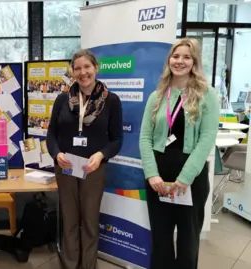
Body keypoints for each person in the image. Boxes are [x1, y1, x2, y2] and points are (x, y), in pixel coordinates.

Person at [139, 38, 219, 269]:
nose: (180, 61)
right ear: (169, 60)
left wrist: (185, 178)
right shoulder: (157, 96)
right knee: (161, 240)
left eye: (186, 56)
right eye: (176, 56)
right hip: (158, 179)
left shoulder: (207, 95)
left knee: (188, 241)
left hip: (190, 179)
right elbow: (145, 137)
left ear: (194, 62)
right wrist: (152, 175)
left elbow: (206, 140)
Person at [46, 49, 123, 269]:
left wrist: (101, 155)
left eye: (87, 67)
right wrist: (56, 153)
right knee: (69, 220)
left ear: (96, 68)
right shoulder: (62, 99)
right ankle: (71, 264)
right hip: (67, 167)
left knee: (89, 221)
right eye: (77, 68)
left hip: (92, 168)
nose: (83, 72)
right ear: (72, 71)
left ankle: (88, 266)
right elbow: (51, 133)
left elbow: (117, 139)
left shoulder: (111, 101)